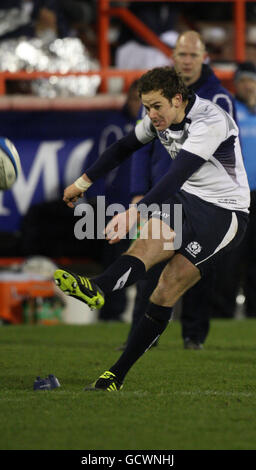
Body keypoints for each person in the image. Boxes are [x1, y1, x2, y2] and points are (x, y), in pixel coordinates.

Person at [54, 66, 249, 391]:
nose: (150, 114)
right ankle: (98, 288)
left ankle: (116, 374)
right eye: (146, 107)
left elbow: (176, 175)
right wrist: (82, 182)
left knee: (166, 286)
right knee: (142, 247)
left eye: (156, 106)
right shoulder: (160, 118)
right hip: (188, 200)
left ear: (177, 99)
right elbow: (121, 149)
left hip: (225, 212)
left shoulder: (210, 121)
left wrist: (134, 212)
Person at [125, 30, 237, 351]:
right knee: (149, 264)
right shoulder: (155, 95)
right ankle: (142, 336)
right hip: (163, 192)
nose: (187, 61)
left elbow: (229, 152)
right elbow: (139, 147)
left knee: (197, 266)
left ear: (204, 58)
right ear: (172, 58)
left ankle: (194, 336)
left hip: (203, 198)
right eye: (181, 55)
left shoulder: (218, 99)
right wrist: (137, 190)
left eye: (193, 55)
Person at [86, 79, 141, 322]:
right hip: (114, 206)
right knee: (115, 257)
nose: (136, 104)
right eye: (133, 98)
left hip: (145, 205)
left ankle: (145, 314)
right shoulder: (113, 128)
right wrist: (96, 200)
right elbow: (94, 164)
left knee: (144, 258)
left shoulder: (158, 128)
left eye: (141, 99)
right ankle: (111, 312)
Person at [210, 62, 256, 318]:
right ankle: (222, 313)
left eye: (252, 80)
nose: (248, 85)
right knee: (229, 257)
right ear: (236, 84)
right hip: (234, 196)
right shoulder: (228, 111)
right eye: (243, 80)